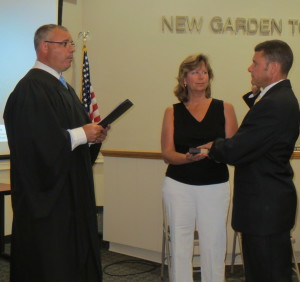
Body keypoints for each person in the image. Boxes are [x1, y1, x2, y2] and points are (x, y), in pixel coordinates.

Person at [4, 24, 109, 282]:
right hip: (49, 203)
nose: (72, 49)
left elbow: (74, 139)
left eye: (72, 43)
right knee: (52, 265)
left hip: (71, 195)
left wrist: (93, 137)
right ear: (44, 47)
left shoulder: (65, 89)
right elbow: (37, 145)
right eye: (66, 44)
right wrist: (83, 134)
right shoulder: (31, 88)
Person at [201, 40, 300, 282]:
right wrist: (255, 96)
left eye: (255, 63)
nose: (249, 68)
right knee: (269, 270)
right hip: (269, 205)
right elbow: (262, 133)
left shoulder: (274, 104)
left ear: (273, 68)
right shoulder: (279, 98)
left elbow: (238, 148)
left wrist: (213, 147)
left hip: (263, 206)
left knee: (265, 274)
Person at [161, 53, 238, 282]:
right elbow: (167, 153)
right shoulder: (171, 111)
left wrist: (213, 146)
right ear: (184, 79)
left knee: (214, 243)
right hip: (178, 185)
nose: (201, 76)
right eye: (195, 72)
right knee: (181, 243)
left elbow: (233, 148)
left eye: (204, 72)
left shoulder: (225, 108)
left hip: (215, 185)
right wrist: (187, 158)